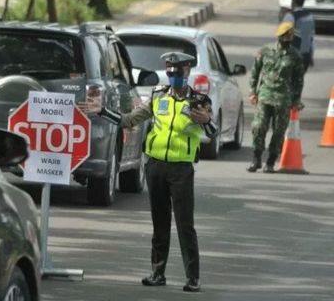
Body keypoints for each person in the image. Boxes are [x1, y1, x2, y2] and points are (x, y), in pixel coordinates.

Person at [78, 52, 217, 293]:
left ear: (187, 71)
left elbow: (213, 131)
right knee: (159, 223)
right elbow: (128, 121)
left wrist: (205, 120)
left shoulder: (198, 100)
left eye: (179, 71)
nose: (174, 76)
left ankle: (193, 277)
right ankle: (157, 273)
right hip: (155, 166)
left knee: (185, 225)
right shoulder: (158, 96)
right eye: (170, 71)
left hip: (181, 169)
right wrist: (101, 111)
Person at [247, 22, 305, 173]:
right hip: (265, 96)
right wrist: (253, 92)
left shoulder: (295, 56)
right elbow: (255, 72)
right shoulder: (265, 51)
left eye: (290, 35)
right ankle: (256, 159)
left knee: (279, 131)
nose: (288, 38)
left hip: (283, 99)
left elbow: (299, 80)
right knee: (258, 127)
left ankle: (271, 162)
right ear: (279, 36)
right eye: (285, 35)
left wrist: (296, 100)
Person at [282, 0, 315, 73]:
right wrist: (310, 56)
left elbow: (283, 37)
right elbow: (311, 39)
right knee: (298, 82)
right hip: (305, 56)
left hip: (293, 56)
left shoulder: (290, 16)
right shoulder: (310, 16)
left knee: (288, 82)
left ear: (293, 1)